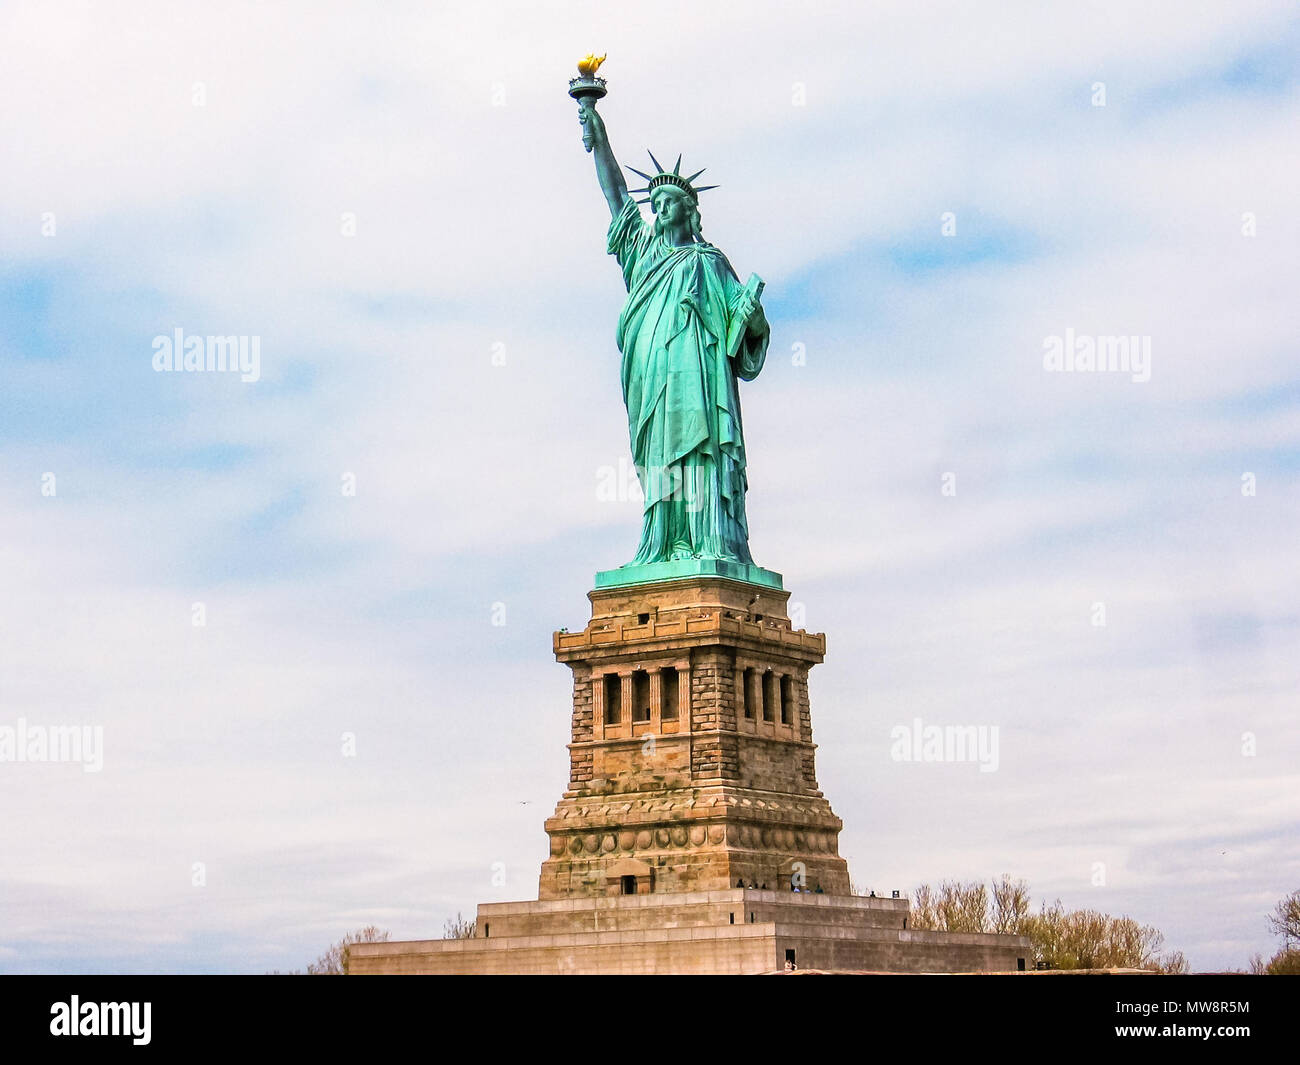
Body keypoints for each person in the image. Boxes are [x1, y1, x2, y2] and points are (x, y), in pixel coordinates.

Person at [578, 100, 769, 566]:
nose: (659, 211)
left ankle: (709, 541)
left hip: (699, 379)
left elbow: (744, 335)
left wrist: (753, 316)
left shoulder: (710, 262)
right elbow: (616, 196)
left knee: (700, 450)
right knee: (660, 454)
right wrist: (598, 136)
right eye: (656, 205)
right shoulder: (642, 254)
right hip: (651, 373)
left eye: (669, 205)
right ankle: (662, 543)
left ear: (689, 213)